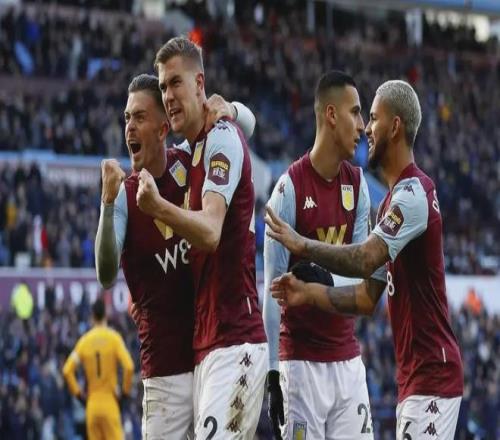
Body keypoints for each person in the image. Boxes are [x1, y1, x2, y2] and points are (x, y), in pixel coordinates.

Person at [266, 80, 464, 440]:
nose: (366, 128)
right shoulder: (389, 204)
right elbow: (366, 298)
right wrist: (309, 294)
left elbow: (365, 258)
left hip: (432, 377)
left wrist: (303, 244)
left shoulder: (413, 194)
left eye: (372, 117)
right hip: (413, 379)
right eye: (362, 116)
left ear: (395, 126)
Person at [95, 73, 256, 439]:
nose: (129, 127)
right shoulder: (125, 195)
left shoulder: (191, 159)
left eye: (139, 117)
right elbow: (105, 274)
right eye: (126, 118)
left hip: (210, 356)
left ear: (163, 128)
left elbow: (248, 126)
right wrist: (106, 203)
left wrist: (229, 109)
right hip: (164, 373)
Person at [136, 36, 268, 439]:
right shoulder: (191, 150)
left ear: (199, 84)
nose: (168, 96)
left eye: (176, 82)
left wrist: (158, 207)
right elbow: (247, 122)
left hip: (236, 341)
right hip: (206, 345)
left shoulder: (220, 139)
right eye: (163, 87)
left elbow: (210, 231)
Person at [263, 70, 377, 439]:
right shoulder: (288, 190)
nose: (362, 125)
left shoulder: (358, 186)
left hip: (347, 360)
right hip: (300, 367)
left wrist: (320, 277)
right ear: (331, 114)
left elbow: (361, 273)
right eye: (355, 112)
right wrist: (272, 373)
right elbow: (271, 291)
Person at [62, 298, 134, 440]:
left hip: (92, 406)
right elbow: (129, 367)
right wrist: (124, 395)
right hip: (110, 404)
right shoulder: (114, 339)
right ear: (105, 315)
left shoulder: (84, 341)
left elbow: (67, 370)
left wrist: (80, 396)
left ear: (92, 316)